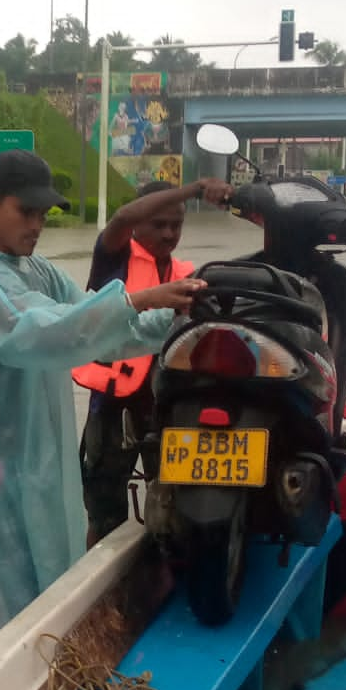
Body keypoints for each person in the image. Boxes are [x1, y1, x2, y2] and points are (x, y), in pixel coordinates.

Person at [0, 150, 204, 654]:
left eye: (43, 214)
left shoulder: (37, 272)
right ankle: (13, 682)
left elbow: (95, 326)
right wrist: (141, 299)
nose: (37, 224)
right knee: (9, 589)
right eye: (27, 212)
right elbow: (40, 332)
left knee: (55, 570)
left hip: (41, 459)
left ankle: (57, 666)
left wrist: (176, 317)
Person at [74, 177, 231, 546]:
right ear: (138, 225)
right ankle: (101, 596)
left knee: (174, 504)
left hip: (169, 408)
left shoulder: (188, 275)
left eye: (176, 225)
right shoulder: (113, 256)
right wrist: (193, 190)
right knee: (104, 510)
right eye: (158, 224)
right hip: (115, 408)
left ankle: (164, 574)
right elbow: (122, 216)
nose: (168, 233)